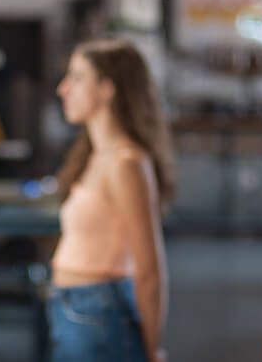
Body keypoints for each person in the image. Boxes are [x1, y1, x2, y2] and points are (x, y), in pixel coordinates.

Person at [48, 38, 173, 362]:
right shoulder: (94, 155)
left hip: (99, 313)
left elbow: (150, 273)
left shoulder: (127, 163)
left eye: (76, 78)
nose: (63, 89)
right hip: (72, 308)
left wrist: (151, 350)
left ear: (107, 88)